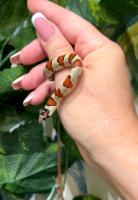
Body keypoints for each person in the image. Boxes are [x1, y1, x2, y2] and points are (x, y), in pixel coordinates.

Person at [10, 0, 138, 199]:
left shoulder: (63, 90)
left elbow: (71, 70)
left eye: (45, 114)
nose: (44, 116)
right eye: (46, 114)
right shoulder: (62, 89)